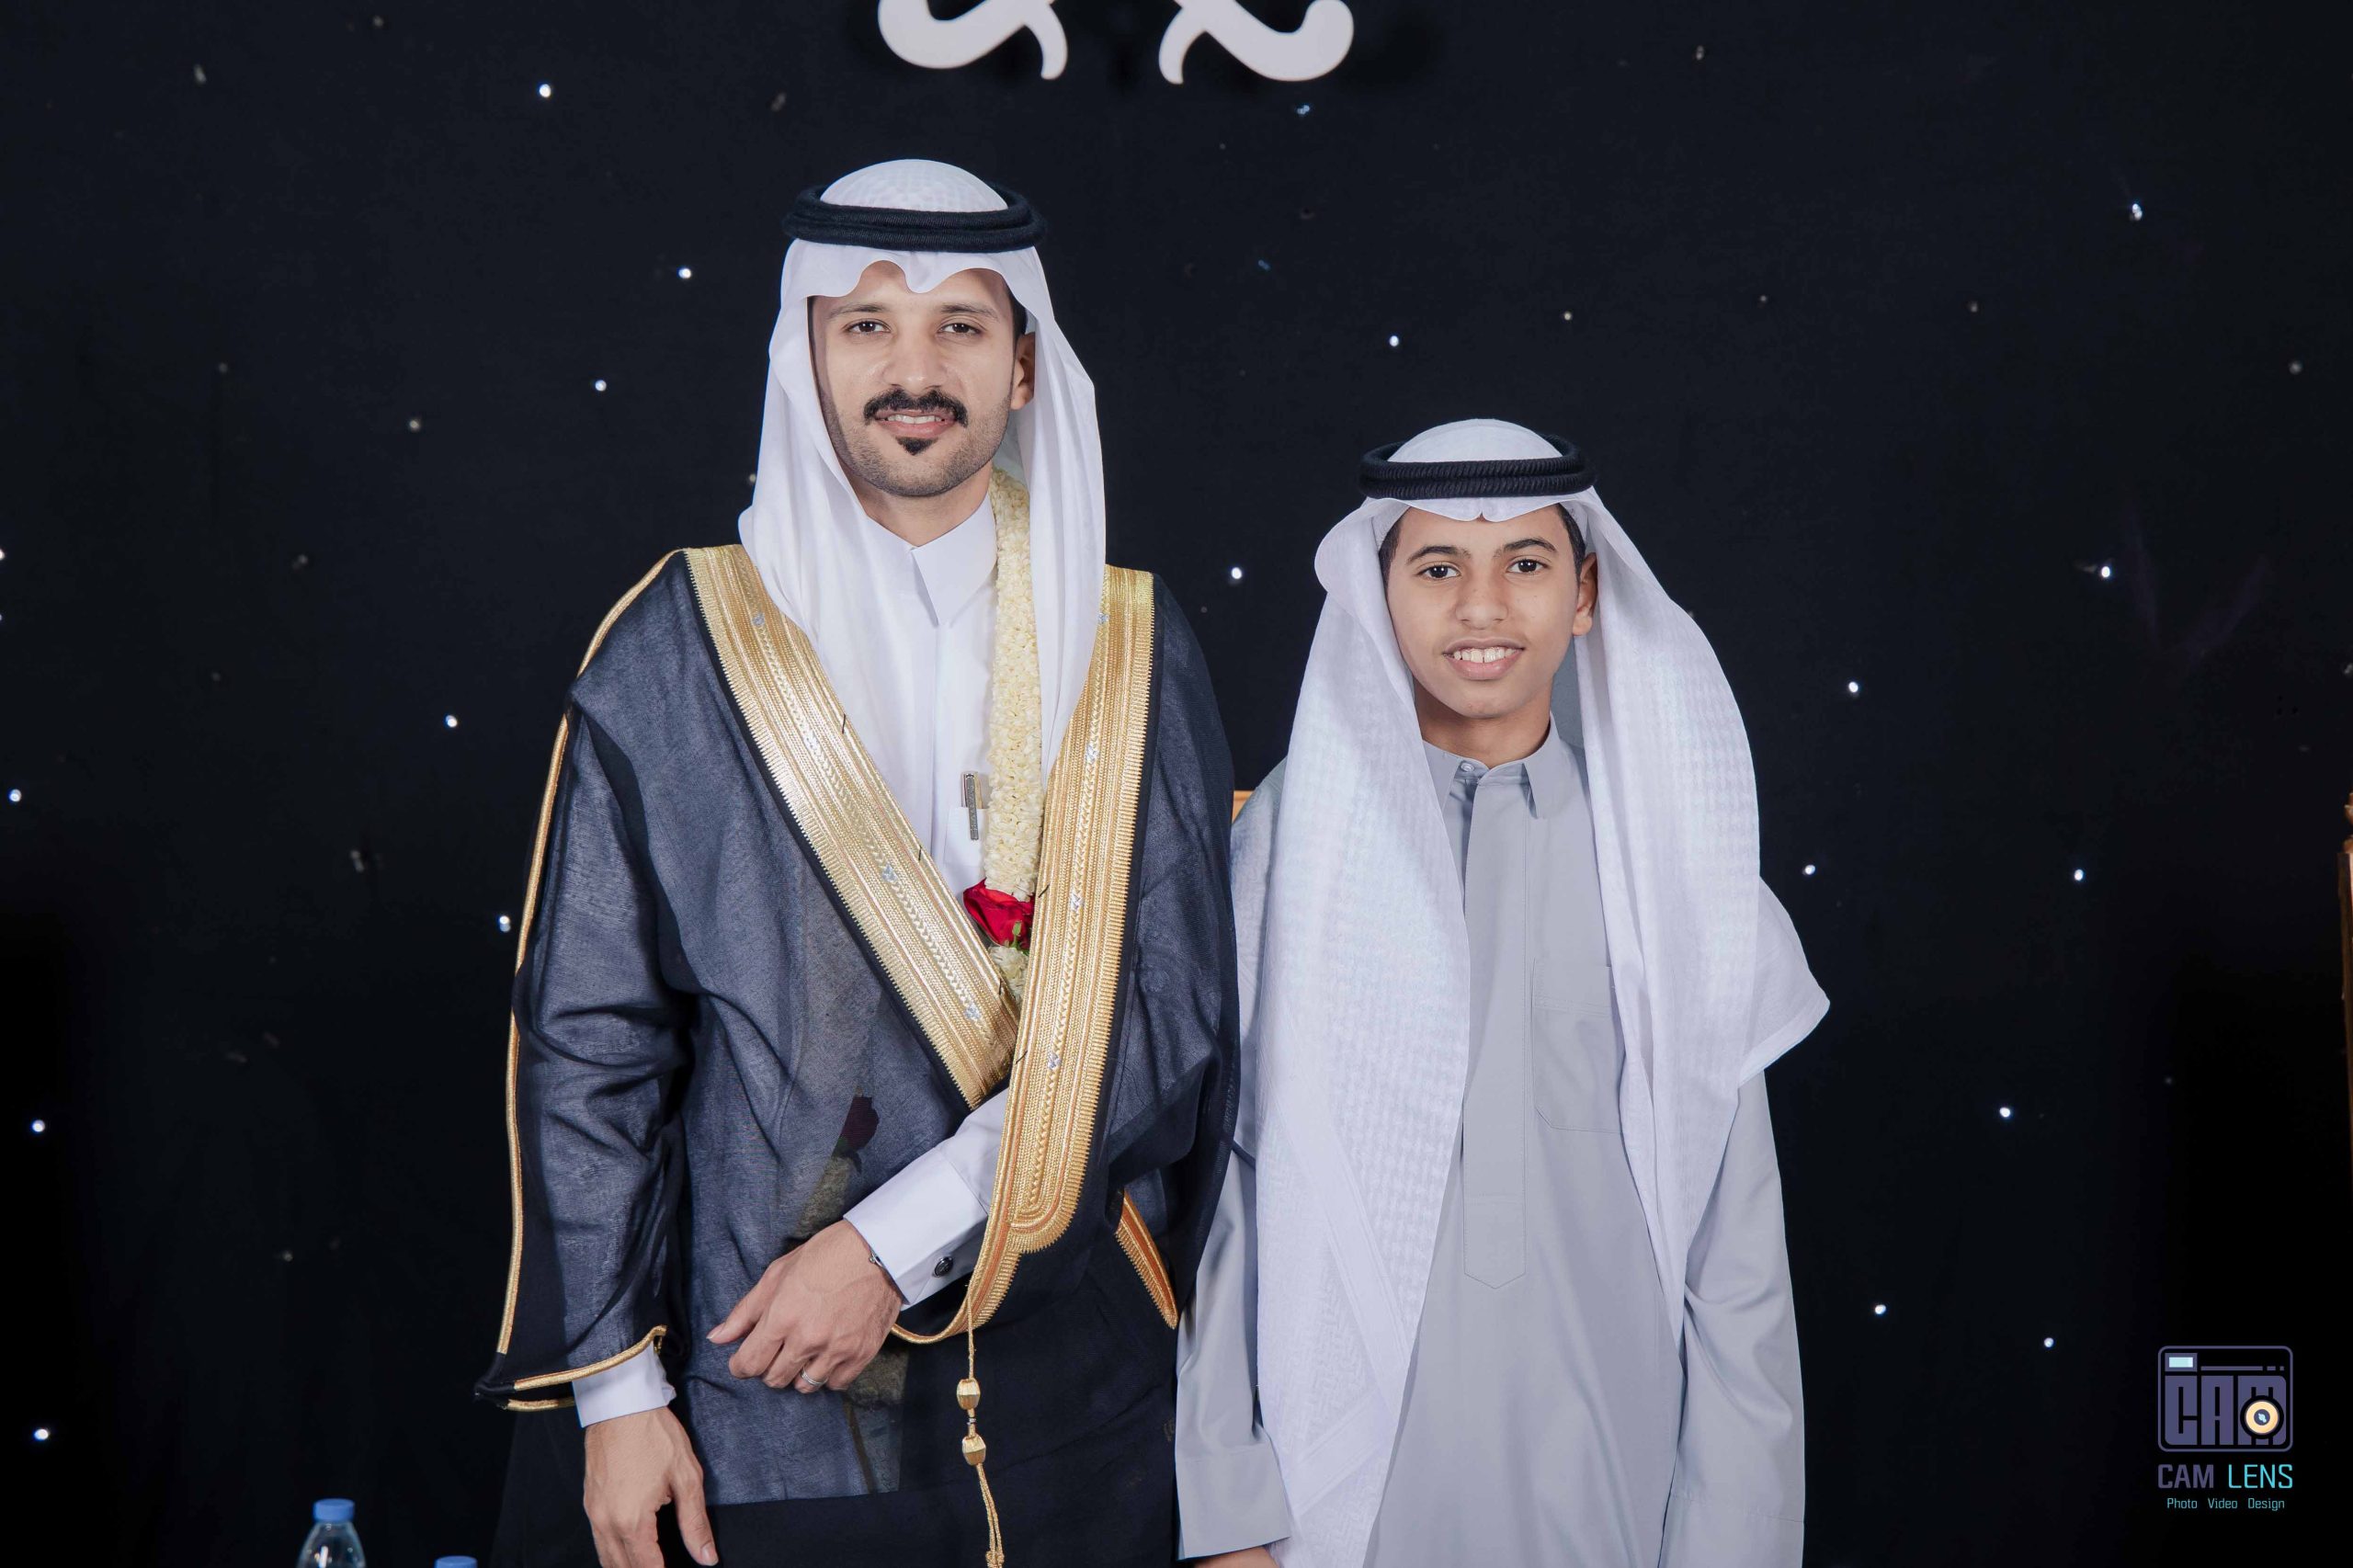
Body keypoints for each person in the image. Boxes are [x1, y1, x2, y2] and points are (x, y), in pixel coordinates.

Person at [476, 159, 1240, 1568]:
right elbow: (590, 1041)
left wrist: (892, 1241)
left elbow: (1168, 1009)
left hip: (1078, 1401)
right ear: (807, 356)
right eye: (869, 325)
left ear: (1024, 368)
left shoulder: (1131, 640)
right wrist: (618, 1397)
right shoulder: (676, 647)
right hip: (771, 1403)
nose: (915, 369)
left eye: (962, 326)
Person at [1175, 419, 1826, 1567]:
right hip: (1340, 1498)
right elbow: (1231, 1186)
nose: (1482, 605)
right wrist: (1229, 1512)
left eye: (1525, 562)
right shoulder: (1292, 844)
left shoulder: (1672, 864)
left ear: (1585, 593)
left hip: (1613, 1484)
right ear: (1378, 595)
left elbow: (1737, 1264)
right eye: (1437, 567)